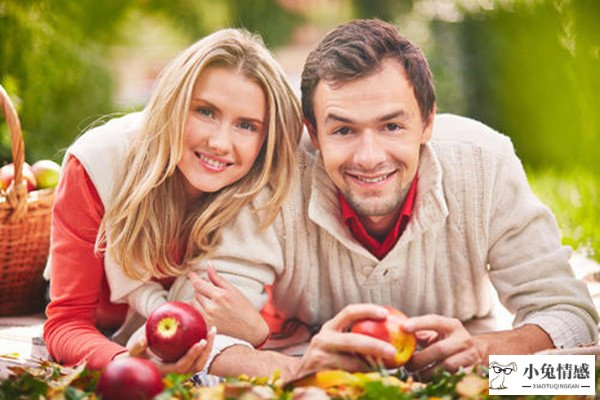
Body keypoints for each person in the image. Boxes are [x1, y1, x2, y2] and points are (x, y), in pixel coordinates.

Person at [187, 19, 598, 381]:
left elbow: (571, 316)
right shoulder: (274, 175)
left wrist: (484, 354)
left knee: (574, 378)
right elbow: (200, 341)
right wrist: (300, 371)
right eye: (344, 131)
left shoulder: (484, 162)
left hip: (473, 362)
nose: (369, 158)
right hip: (314, 367)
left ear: (427, 122)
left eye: (392, 126)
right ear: (313, 134)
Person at [43, 28, 303, 374]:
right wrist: (128, 364)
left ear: (265, 138)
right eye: (206, 112)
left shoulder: (257, 192)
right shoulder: (99, 165)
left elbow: (245, 325)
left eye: (246, 126)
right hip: (110, 338)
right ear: (174, 104)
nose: (220, 143)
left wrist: (255, 332)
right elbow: (66, 323)